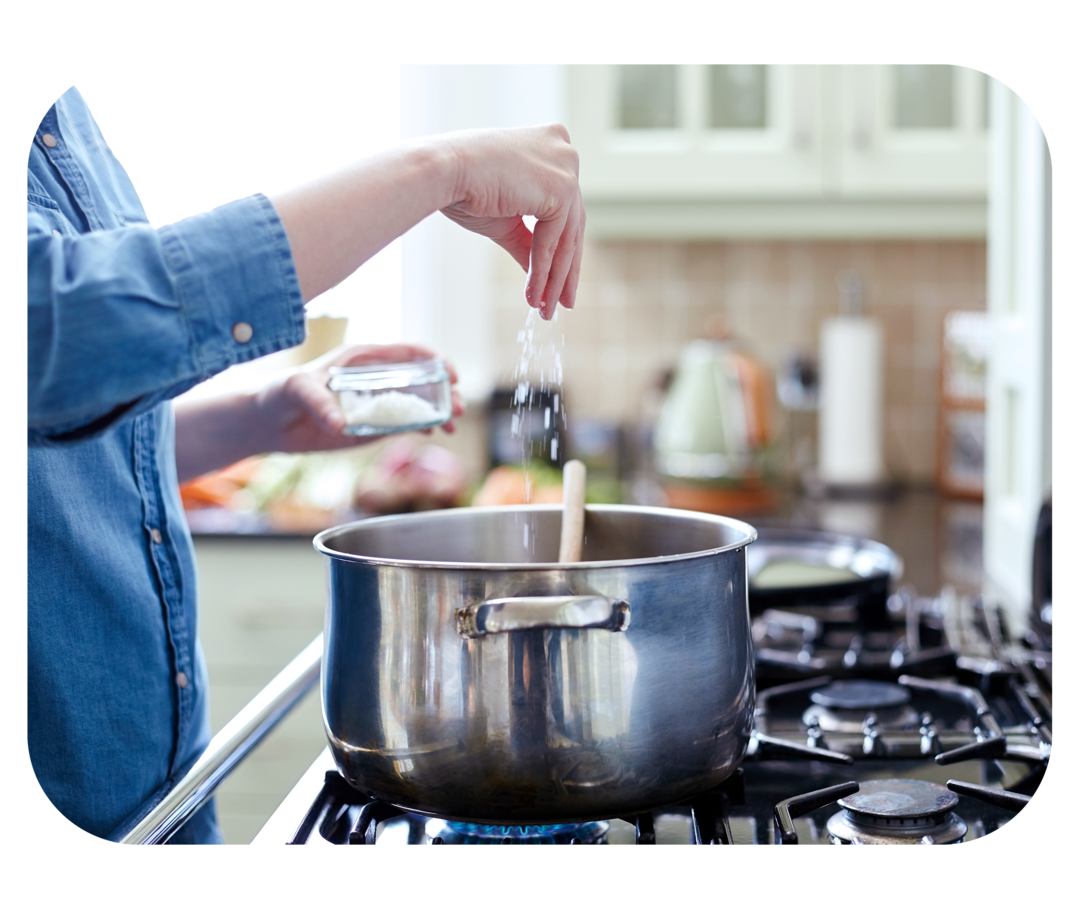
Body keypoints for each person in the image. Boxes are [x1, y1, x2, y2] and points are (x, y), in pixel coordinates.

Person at [27, 81, 584, 845]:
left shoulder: (71, 124)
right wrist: (439, 167)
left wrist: (261, 418)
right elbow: (55, 323)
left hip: (164, 795)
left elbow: (67, 429)